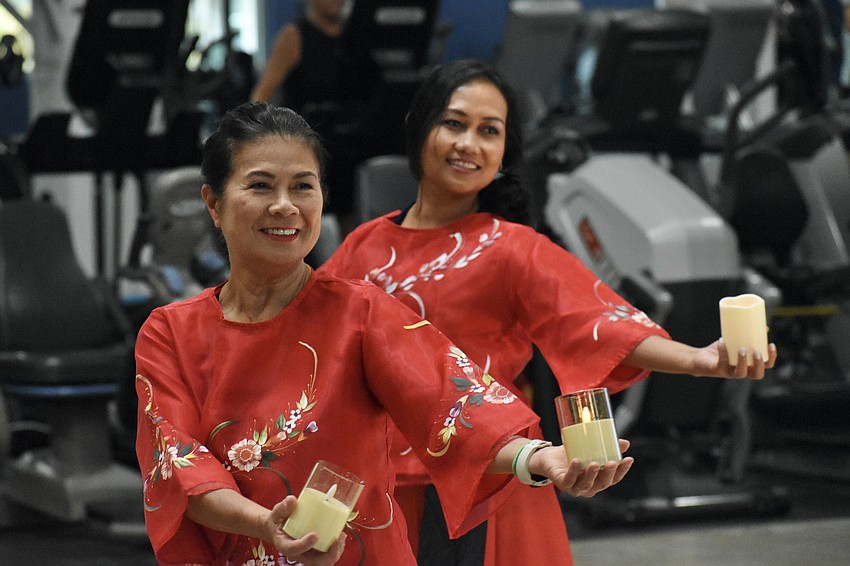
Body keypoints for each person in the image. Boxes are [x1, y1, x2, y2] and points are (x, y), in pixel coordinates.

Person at [133, 100, 635, 566]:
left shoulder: (361, 311)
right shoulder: (170, 332)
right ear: (214, 204)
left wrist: (540, 457)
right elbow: (181, 467)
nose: (285, 205)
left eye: (303, 186)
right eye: (260, 186)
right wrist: (266, 525)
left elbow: (450, 405)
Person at [318, 59, 778, 565]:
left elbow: (593, 320)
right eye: (454, 123)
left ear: (502, 153)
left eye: (488, 131)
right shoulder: (364, 244)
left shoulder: (511, 247)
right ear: (417, 125)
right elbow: (315, 342)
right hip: (379, 479)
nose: (469, 144)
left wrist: (698, 360)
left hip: (485, 475)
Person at [251, 0, 372, 230]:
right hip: (308, 150)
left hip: (351, 150)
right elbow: (261, 95)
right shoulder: (294, 36)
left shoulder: (357, 38)